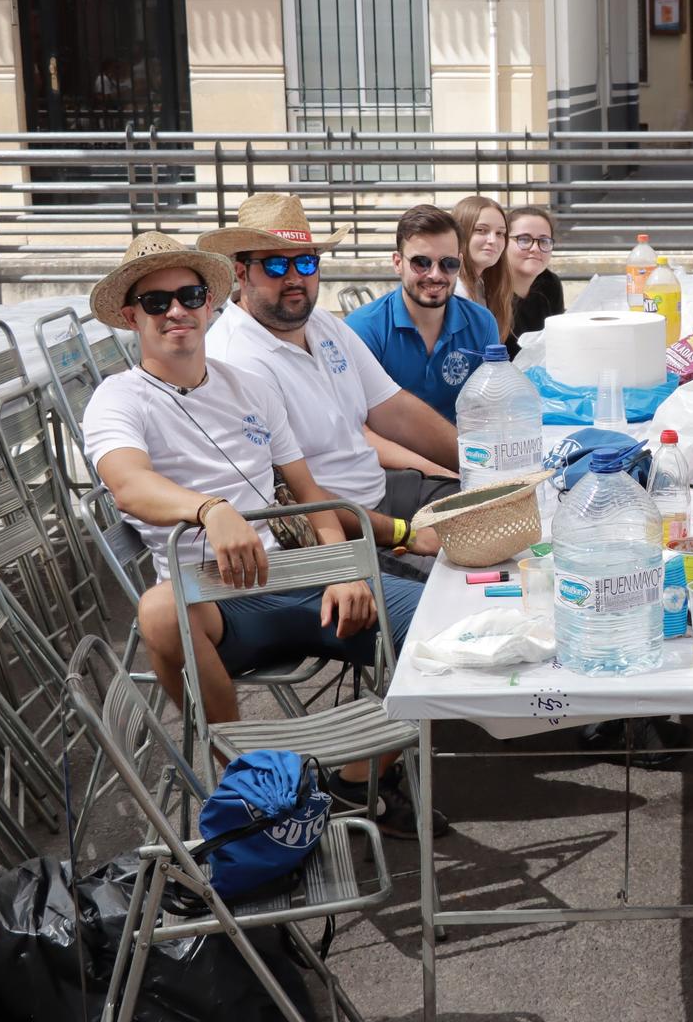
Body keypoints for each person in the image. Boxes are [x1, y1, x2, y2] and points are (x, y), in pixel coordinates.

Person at [79, 231, 444, 837]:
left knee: (444, 627)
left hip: (293, 579)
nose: (176, 311)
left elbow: (309, 494)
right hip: (216, 607)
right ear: (130, 316)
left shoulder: (246, 384)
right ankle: (246, 782)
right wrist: (209, 511)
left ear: (207, 303)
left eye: (189, 295)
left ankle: (355, 778)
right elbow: (129, 484)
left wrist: (343, 567)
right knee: (159, 610)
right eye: (156, 302)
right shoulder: (117, 398)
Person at [203, 195, 462, 565]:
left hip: (381, 491)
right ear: (240, 272)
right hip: (341, 533)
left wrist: (475, 460)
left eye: (307, 262)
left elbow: (395, 409)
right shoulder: (235, 359)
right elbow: (294, 496)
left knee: (487, 504)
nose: (295, 277)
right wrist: (405, 533)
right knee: (458, 580)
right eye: (276, 264)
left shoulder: (320, 322)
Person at [345, 204, 503, 420]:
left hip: (464, 451)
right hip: (393, 453)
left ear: (460, 263)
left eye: (448, 263)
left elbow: (489, 412)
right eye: (421, 263)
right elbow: (359, 427)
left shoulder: (482, 323)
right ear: (398, 263)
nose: (435, 275)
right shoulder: (363, 328)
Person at [501, 205, 564, 352]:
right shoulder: (486, 290)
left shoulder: (550, 284)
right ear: (502, 242)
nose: (535, 248)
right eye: (524, 239)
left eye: (544, 241)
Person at [453, 194, 513, 337]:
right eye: (481, 230)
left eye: (500, 233)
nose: (493, 240)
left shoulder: (483, 285)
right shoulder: (452, 290)